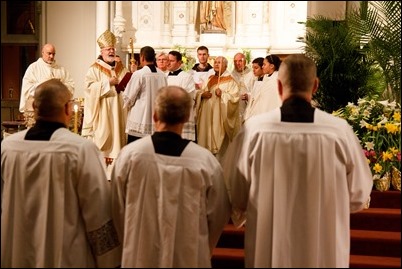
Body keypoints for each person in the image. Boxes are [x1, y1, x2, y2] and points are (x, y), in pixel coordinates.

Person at [222, 54, 373, 268]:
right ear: (315, 86)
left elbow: (236, 191)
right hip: (323, 242)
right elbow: (359, 193)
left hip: (269, 240)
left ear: (279, 86)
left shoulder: (254, 130)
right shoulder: (339, 131)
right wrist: (327, 206)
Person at [1, 79, 122, 268]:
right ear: (67, 108)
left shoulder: (8, 147)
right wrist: (109, 261)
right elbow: (98, 211)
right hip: (64, 255)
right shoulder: (81, 149)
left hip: (16, 251)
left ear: (34, 106)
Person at [111, 85, 231, 267]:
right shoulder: (205, 162)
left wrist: (129, 239)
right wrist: (202, 247)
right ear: (187, 117)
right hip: (188, 254)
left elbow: (116, 207)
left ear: (155, 115)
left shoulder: (129, 155)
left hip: (140, 253)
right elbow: (219, 214)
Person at [82, 29, 135, 168]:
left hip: (118, 111)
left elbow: (128, 85)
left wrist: (132, 74)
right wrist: (107, 83)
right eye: (108, 49)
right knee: (105, 141)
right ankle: (103, 171)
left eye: (112, 48)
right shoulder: (94, 69)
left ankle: (117, 171)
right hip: (103, 114)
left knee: (119, 139)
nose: (111, 51)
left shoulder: (120, 67)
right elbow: (88, 88)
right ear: (101, 52)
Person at [195, 56, 240, 162]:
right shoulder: (210, 78)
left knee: (218, 145)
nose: (216, 64)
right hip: (206, 117)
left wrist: (223, 94)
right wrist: (202, 95)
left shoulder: (231, 81)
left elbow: (235, 98)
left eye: (219, 62)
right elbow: (200, 91)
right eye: (215, 62)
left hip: (219, 117)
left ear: (225, 65)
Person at [19, 43, 75, 127]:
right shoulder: (33, 68)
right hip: (39, 112)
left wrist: (59, 87)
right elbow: (27, 88)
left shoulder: (61, 70)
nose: (51, 56)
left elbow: (71, 86)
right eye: (49, 53)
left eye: (53, 54)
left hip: (57, 112)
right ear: (42, 53)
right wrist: (45, 85)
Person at [122, 46, 167, 143]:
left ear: (142, 57)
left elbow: (128, 97)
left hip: (140, 120)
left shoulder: (139, 74)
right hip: (157, 121)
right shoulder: (162, 75)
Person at [166, 50, 196, 141]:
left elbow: (187, 96)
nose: (168, 63)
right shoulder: (164, 76)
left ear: (179, 62)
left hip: (181, 116)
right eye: (168, 60)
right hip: (166, 115)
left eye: (171, 61)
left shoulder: (186, 77)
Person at [242, 54, 282, 123]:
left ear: (272, 66)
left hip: (268, 115)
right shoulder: (266, 78)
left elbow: (270, 102)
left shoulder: (275, 80)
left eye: (264, 64)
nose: (262, 67)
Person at [231, 52, 256, 121]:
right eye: (235, 61)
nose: (238, 63)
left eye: (240, 61)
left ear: (245, 62)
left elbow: (256, 91)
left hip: (248, 107)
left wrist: (249, 96)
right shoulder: (230, 76)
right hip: (235, 107)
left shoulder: (252, 75)